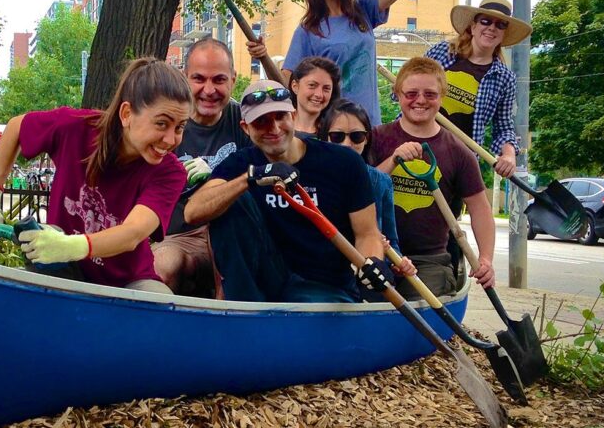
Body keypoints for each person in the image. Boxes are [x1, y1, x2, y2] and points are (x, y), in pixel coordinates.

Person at [0, 58, 191, 293]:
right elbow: (16, 127)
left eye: (179, 127)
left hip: (127, 283)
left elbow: (132, 233)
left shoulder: (170, 172)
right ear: (126, 114)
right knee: (39, 256)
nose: (170, 140)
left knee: (159, 299)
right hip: (63, 270)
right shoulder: (76, 129)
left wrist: (70, 245)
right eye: (161, 124)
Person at [184, 80, 414, 303]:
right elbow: (193, 212)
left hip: (322, 285)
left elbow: (367, 233)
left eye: (280, 117)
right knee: (228, 197)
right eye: (261, 121)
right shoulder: (243, 164)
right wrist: (250, 178)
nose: (273, 128)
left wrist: (372, 262)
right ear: (246, 128)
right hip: (264, 281)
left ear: (293, 116)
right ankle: (241, 310)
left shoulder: (343, 162)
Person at [371, 57, 496, 296]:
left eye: (430, 94)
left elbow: (480, 208)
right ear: (397, 93)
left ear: (442, 96)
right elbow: (360, 190)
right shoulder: (376, 138)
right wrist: (393, 160)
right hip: (377, 251)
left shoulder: (458, 151)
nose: (420, 100)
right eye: (411, 93)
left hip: (429, 261)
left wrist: (486, 259)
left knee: (419, 316)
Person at [248, 0, 407, 127]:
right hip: (333, 128)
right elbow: (286, 83)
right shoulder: (308, 30)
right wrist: (264, 57)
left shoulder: (363, 10)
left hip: (369, 123)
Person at [152, 38, 253, 296]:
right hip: (177, 237)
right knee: (161, 269)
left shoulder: (247, 123)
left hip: (233, 235)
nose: (209, 90)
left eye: (218, 80)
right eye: (199, 79)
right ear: (185, 78)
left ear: (233, 78)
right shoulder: (165, 125)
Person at [424, 0, 532, 180]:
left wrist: (508, 154)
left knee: (448, 209)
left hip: (458, 160)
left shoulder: (504, 78)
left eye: (500, 25)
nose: (492, 28)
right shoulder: (442, 52)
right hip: (416, 145)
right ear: (473, 26)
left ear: (504, 34)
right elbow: (405, 91)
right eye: (485, 21)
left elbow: (504, 127)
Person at [316, 99, 400, 255]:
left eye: (356, 136)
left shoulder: (381, 181)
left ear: (367, 138)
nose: (347, 144)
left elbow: (392, 243)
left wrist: (397, 261)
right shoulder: (311, 176)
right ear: (324, 137)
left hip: (368, 269)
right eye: (337, 136)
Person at [287, 56, 341, 138]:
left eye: (326, 88)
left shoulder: (336, 134)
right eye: (312, 85)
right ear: (295, 86)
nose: (319, 94)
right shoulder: (279, 128)